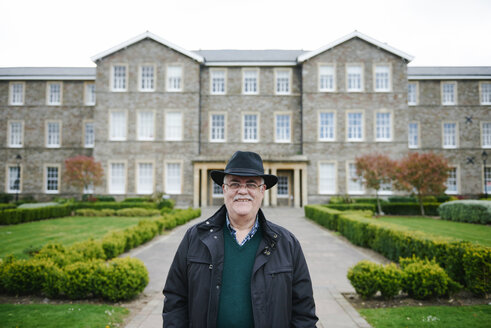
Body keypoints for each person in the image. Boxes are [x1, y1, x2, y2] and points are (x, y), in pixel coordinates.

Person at [162, 151, 318, 327]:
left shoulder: (287, 243)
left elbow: (303, 312)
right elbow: (175, 299)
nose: (242, 191)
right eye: (235, 183)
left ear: (262, 191)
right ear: (224, 189)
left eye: (251, 184)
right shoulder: (195, 237)